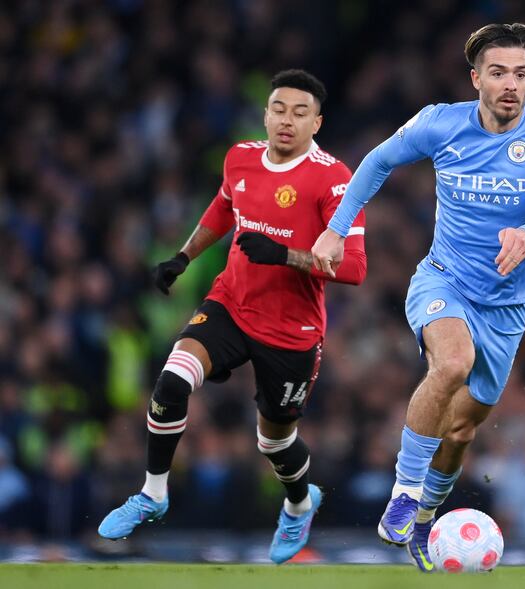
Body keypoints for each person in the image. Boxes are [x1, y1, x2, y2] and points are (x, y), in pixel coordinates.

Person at [312, 23, 525, 571]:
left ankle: (425, 515)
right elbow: (377, 161)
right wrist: (336, 229)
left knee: (461, 430)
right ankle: (404, 492)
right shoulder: (441, 122)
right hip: (443, 280)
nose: (512, 84)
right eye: (499, 72)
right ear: (476, 78)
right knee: (452, 363)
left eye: (522, 74)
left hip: (506, 308)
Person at [98, 69, 367, 564]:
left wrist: (287, 254)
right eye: (279, 109)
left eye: (300, 113)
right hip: (231, 304)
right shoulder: (240, 157)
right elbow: (224, 207)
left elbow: (354, 267)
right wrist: (184, 257)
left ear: (317, 123)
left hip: (292, 331)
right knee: (172, 380)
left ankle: (300, 503)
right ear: (265, 114)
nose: (287, 121)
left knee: (274, 442)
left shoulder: (335, 179)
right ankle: (153, 493)